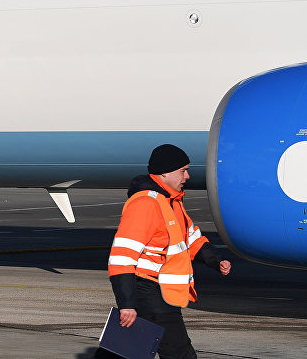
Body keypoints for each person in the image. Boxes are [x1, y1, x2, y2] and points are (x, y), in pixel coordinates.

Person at [96, 144, 231, 359]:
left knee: (127, 352)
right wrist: (127, 304)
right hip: (148, 294)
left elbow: (191, 238)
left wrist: (216, 260)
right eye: (183, 171)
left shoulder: (171, 201)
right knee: (179, 354)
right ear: (165, 172)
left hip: (162, 294)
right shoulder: (146, 204)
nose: (187, 176)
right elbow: (121, 257)